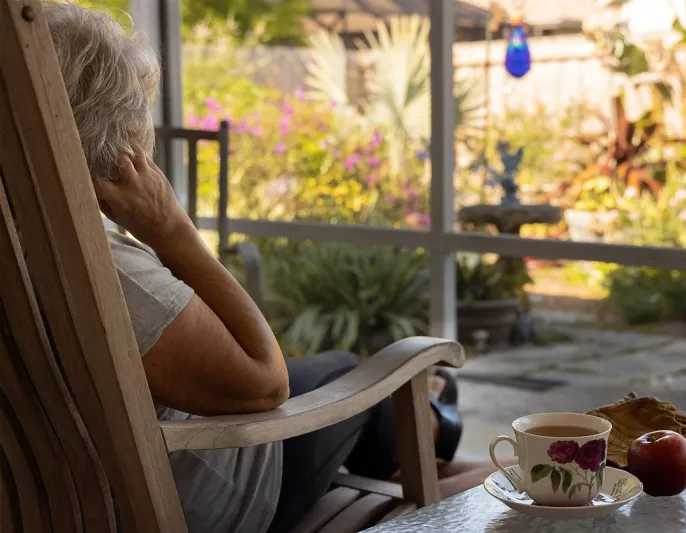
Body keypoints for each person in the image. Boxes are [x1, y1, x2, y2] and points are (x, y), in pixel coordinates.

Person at [44, 4, 496, 533]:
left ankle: (428, 414)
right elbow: (265, 385)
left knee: (339, 375)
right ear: (113, 141)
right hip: (208, 491)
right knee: (359, 375)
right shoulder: (102, 268)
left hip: (71, 490)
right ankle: (435, 414)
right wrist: (171, 230)